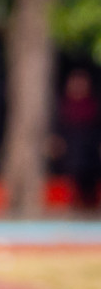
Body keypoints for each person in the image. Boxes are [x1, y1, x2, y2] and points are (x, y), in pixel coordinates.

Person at [54, 68, 100, 212]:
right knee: (73, 177)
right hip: (71, 150)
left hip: (90, 150)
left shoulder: (94, 105)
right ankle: (74, 206)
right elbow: (59, 128)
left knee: (90, 181)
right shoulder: (64, 106)